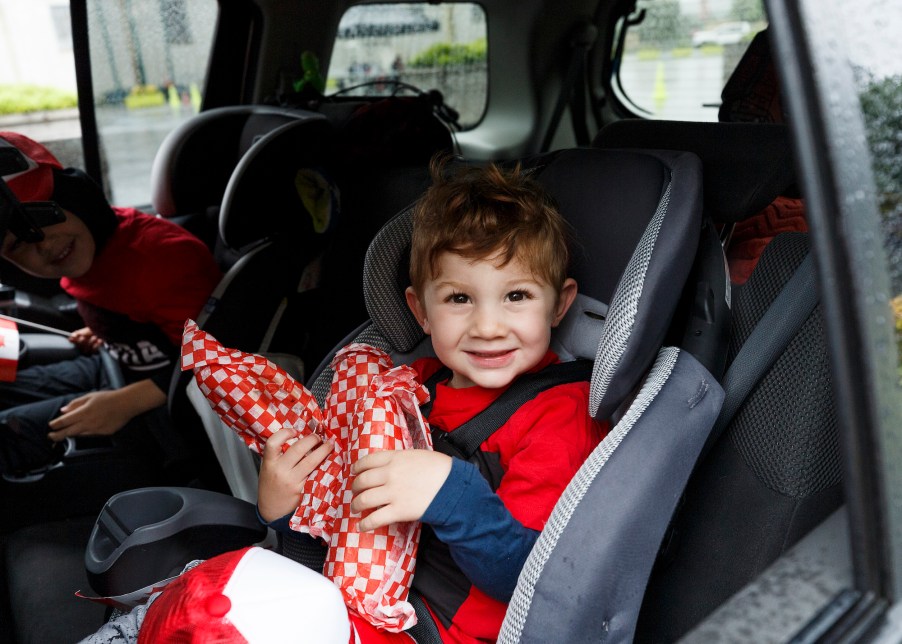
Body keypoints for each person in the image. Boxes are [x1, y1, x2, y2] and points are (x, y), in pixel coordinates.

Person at [92, 157, 606, 643]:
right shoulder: (402, 388)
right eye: (458, 298)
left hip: (436, 632)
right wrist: (283, 509)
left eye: (516, 296)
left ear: (559, 304)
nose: (488, 326)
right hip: (349, 602)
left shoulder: (557, 413)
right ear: (420, 311)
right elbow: (334, 537)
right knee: (206, 593)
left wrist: (454, 496)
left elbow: (538, 580)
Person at [0, 131, 222, 478]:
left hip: (172, 400)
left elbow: (218, 358)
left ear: (76, 197)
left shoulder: (158, 260)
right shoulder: (89, 250)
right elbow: (134, 306)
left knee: (7, 436)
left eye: (43, 216)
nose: (43, 246)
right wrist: (106, 329)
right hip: (119, 361)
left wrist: (126, 401)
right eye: (17, 245)